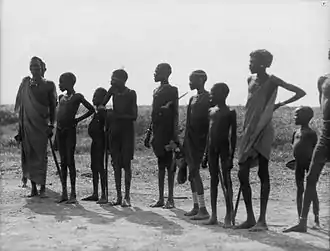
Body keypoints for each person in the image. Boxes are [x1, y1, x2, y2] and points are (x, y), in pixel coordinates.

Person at [235, 49, 306, 231]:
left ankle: (262, 220)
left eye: (252, 61)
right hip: (248, 129)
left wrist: (279, 105)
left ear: (262, 63)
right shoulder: (249, 79)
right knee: (242, 173)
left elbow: (300, 92)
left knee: (263, 172)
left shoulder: (273, 80)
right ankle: (250, 217)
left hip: (264, 129)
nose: (249, 64)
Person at [284, 49, 330, 233]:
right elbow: (323, 101)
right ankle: (302, 222)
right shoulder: (323, 80)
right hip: (327, 132)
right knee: (310, 179)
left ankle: (314, 218)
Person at [14, 56, 57, 198]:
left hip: (41, 125)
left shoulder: (49, 84)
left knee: (41, 156)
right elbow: (21, 109)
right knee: (29, 155)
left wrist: (52, 125)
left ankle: (42, 187)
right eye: (32, 66)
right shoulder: (25, 83)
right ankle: (33, 187)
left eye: (37, 66)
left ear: (42, 67)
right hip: (27, 125)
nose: (34, 69)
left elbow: (53, 106)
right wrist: (19, 129)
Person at [144, 63, 179, 209]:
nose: (154, 74)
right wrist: (149, 132)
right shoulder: (155, 90)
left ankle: (170, 198)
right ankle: (160, 198)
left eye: (157, 71)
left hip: (167, 131)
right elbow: (153, 114)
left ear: (165, 74)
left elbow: (175, 114)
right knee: (160, 165)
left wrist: (174, 137)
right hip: (157, 132)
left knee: (170, 166)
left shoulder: (172, 90)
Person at [101, 69, 137, 207]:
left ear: (122, 80)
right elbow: (102, 105)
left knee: (126, 164)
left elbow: (133, 115)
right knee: (116, 164)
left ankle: (127, 196)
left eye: (114, 79)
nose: (111, 81)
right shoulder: (113, 91)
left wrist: (115, 115)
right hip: (114, 132)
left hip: (126, 132)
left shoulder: (131, 93)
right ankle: (118, 196)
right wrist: (105, 109)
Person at [56, 72, 95, 204]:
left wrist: (77, 119)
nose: (59, 85)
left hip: (69, 131)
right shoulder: (61, 97)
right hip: (60, 131)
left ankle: (73, 193)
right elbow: (58, 114)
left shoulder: (77, 97)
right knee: (63, 163)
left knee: (70, 161)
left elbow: (91, 109)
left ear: (69, 83)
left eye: (61, 82)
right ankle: (64, 192)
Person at [203, 83, 237, 227]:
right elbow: (207, 135)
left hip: (224, 149)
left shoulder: (230, 112)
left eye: (213, 93)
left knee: (227, 181)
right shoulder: (210, 111)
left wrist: (231, 155)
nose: (210, 95)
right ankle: (214, 215)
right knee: (213, 181)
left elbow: (233, 136)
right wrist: (205, 154)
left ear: (222, 95)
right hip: (211, 149)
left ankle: (229, 215)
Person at [183, 70, 210, 220]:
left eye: (192, 80)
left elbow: (210, 122)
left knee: (195, 173)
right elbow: (187, 123)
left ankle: (203, 209)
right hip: (190, 140)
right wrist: (184, 143)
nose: (190, 83)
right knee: (191, 175)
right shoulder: (192, 99)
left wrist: (207, 145)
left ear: (201, 80)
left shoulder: (208, 98)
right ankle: (195, 205)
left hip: (201, 140)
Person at [288, 106, 320, 229]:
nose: (295, 117)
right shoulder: (296, 133)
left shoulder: (311, 134)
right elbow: (294, 147)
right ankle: (300, 218)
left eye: (297, 115)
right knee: (299, 189)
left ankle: (316, 217)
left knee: (312, 190)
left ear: (306, 117)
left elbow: (315, 149)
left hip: (309, 164)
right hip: (298, 164)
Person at [81, 87, 108, 204]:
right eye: (93, 96)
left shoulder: (102, 113)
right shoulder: (97, 112)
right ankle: (95, 193)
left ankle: (103, 194)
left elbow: (106, 129)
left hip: (101, 143)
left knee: (101, 168)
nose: (93, 99)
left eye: (96, 96)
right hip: (95, 143)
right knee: (94, 167)